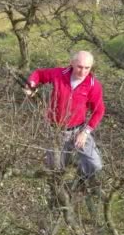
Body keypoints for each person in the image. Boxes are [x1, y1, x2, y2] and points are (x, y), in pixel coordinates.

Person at [24, 51, 105, 179]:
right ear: (72, 63)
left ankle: (82, 182)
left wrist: (85, 133)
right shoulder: (59, 74)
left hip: (78, 130)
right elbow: (39, 74)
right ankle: (59, 191)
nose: (83, 71)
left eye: (87, 68)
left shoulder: (93, 85)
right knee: (56, 168)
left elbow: (99, 111)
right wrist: (31, 85)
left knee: (94, 165)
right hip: (55, 131)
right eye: (79, 67)